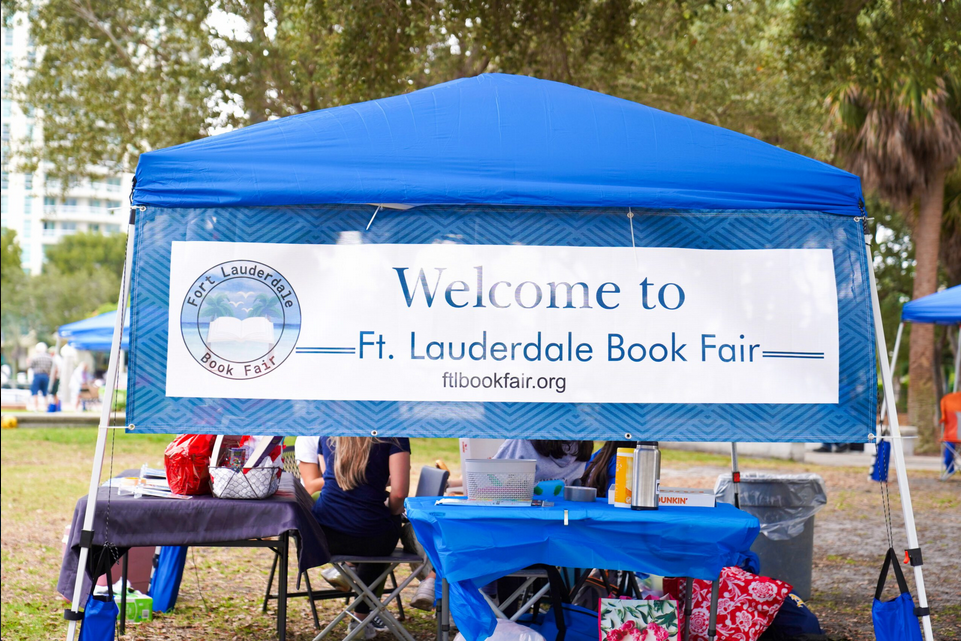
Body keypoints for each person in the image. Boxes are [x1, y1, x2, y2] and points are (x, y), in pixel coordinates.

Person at [311, 436, 411, 637]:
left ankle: (349, 569)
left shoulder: (328, 436)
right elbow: (399, 494)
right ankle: (360, 618)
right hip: (370, 536)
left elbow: (333, 479)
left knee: (368, 526)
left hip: (327, 535)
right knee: (379, 526)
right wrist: (389, 511)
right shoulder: (394, 436)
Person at [492, 439, 593, 484]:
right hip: (563, 518)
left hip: (522, 518)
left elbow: (491, 480)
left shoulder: (520, 442)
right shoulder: (582, 445)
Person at [26, 342, 54, 412]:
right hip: (45, 376)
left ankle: (36, 407)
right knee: (45, 392)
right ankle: (46, 407)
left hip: (37, 375)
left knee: (35, 392)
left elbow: (31, 366)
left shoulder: (35, 357)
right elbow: (51, 366)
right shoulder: (49, 357)